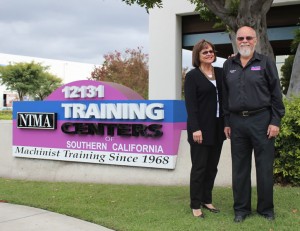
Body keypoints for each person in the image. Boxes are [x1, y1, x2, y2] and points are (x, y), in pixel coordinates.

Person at [222, 26, 285, 222]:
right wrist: (226, 121)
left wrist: (275, 121)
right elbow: (224, 97)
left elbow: (276, 94)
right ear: (236, 40)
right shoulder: (228, 65)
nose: (244, 41)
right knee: (239, 168)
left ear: (255, 40)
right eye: (241, 38)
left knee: (264, 167)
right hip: (237, 122)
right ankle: (241, 210)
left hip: (262, 120)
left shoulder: (266, 63)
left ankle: (266, 209)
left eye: (249, 37)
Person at [184, 39, 226, 218]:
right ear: (198, 56)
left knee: (212, 167)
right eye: (205, 52)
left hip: (218, 127)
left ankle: (206, 199)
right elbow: (191, 105)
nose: (210, 54)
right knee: (199, 167)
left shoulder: (221, 72)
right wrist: (195, 129)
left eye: (211, 51)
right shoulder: (193, 76)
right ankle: (195, 204)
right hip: (200, 129)